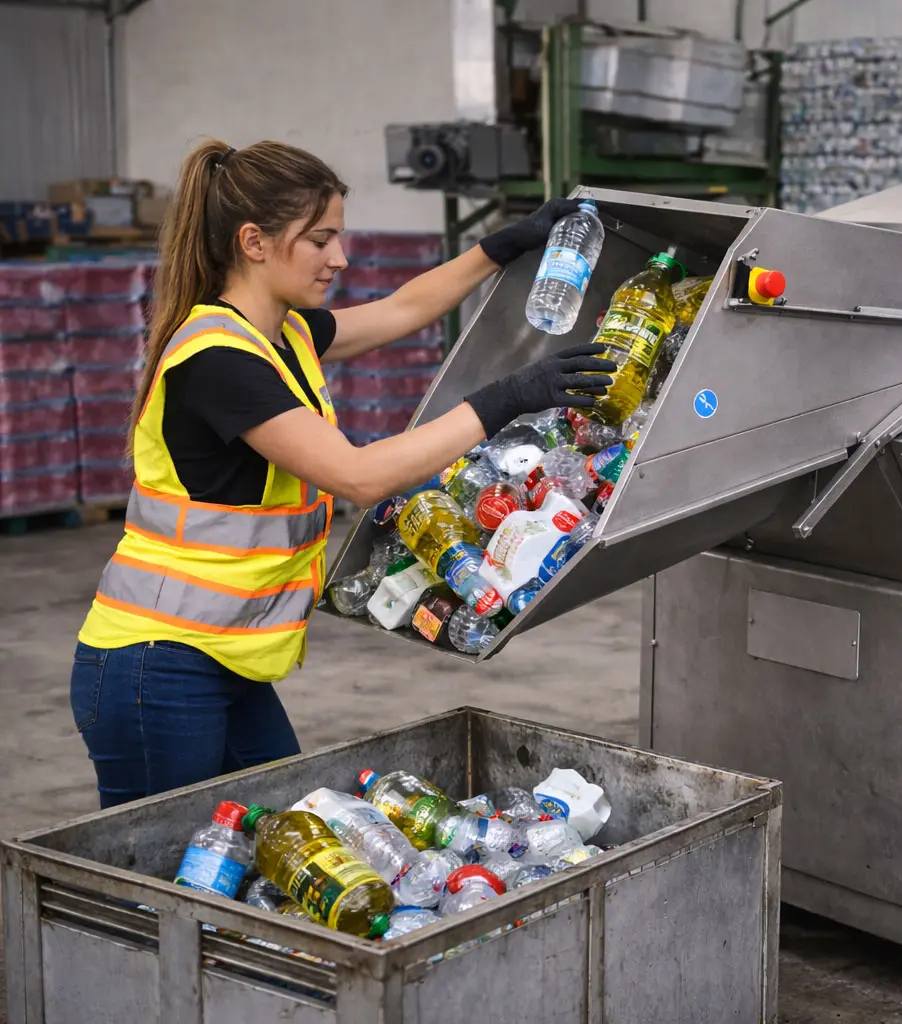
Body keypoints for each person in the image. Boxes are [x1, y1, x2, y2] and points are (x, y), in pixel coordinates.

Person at [69, 139, 615, 808]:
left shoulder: (283, 335)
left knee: (279, 834)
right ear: (254, 242)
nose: (340, 258)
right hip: (155, 665)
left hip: (221, 657)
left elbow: (402, 309)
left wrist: (501, 246)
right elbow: (356, 476)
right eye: (320, 239)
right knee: (163, 864)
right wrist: (508, 397)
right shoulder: (218, 360)